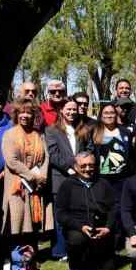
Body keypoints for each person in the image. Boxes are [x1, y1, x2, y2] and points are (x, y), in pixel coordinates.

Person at [2, 99, 52, 254]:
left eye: (28, 112)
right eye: (21, 112)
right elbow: (12, 161)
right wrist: (31, 176)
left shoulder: (39, 135)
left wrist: (42, 175)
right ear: (16, 114)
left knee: (33, 218)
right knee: (19, 217)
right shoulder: (10, 134)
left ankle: (32, 252)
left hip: (36, 185)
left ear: (33, 115)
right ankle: (16, 253)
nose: (25, 115)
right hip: (17, 184)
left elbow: (46, 158)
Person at [55, 152, 118, 270]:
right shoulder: (67, 185)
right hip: (78, 228)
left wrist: (108, 227)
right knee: (76, 239)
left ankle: (98, 257)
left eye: (91, 165)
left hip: (101, 228)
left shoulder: (103, 183)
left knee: (108, 268)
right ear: (76, 167)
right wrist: (80, 227)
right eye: (83, 166)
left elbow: (114, 207)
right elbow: (60, 213)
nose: (88, 169)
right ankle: (75, 264)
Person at [45, 98, 90, 260]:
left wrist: (82, 168)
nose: (71, 112)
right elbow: (53, 155)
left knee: (77, 215)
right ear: (61, 111)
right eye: (68, 109)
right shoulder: (51, 131)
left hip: (80, 178)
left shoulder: (82, 129)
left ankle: (77, 247)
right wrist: (72, 167)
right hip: (61, 179)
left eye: (74, 109)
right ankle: (60, 250)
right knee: (60, 216)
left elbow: (88, 150)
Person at [89, 103, 133, 195]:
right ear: (101, 115)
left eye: (112, 112)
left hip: (122, 179)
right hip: (101, 179)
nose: (109, 115)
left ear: (116, 115)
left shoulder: (125, 132)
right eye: (106, 113)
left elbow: (131, 155)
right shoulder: (94, 131)